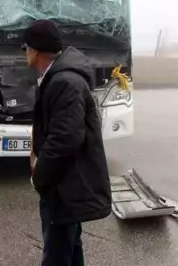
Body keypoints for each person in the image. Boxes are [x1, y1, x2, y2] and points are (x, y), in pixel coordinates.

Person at [24, 19, 112, 266]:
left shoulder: (65, 82)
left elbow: (65, 139)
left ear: (34, 51)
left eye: (25, 48)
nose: (24, 54)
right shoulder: (58, 77)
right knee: (70, 247)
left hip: (64, 186)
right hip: (66, 183)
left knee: (57, 254)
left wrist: (40, 177)